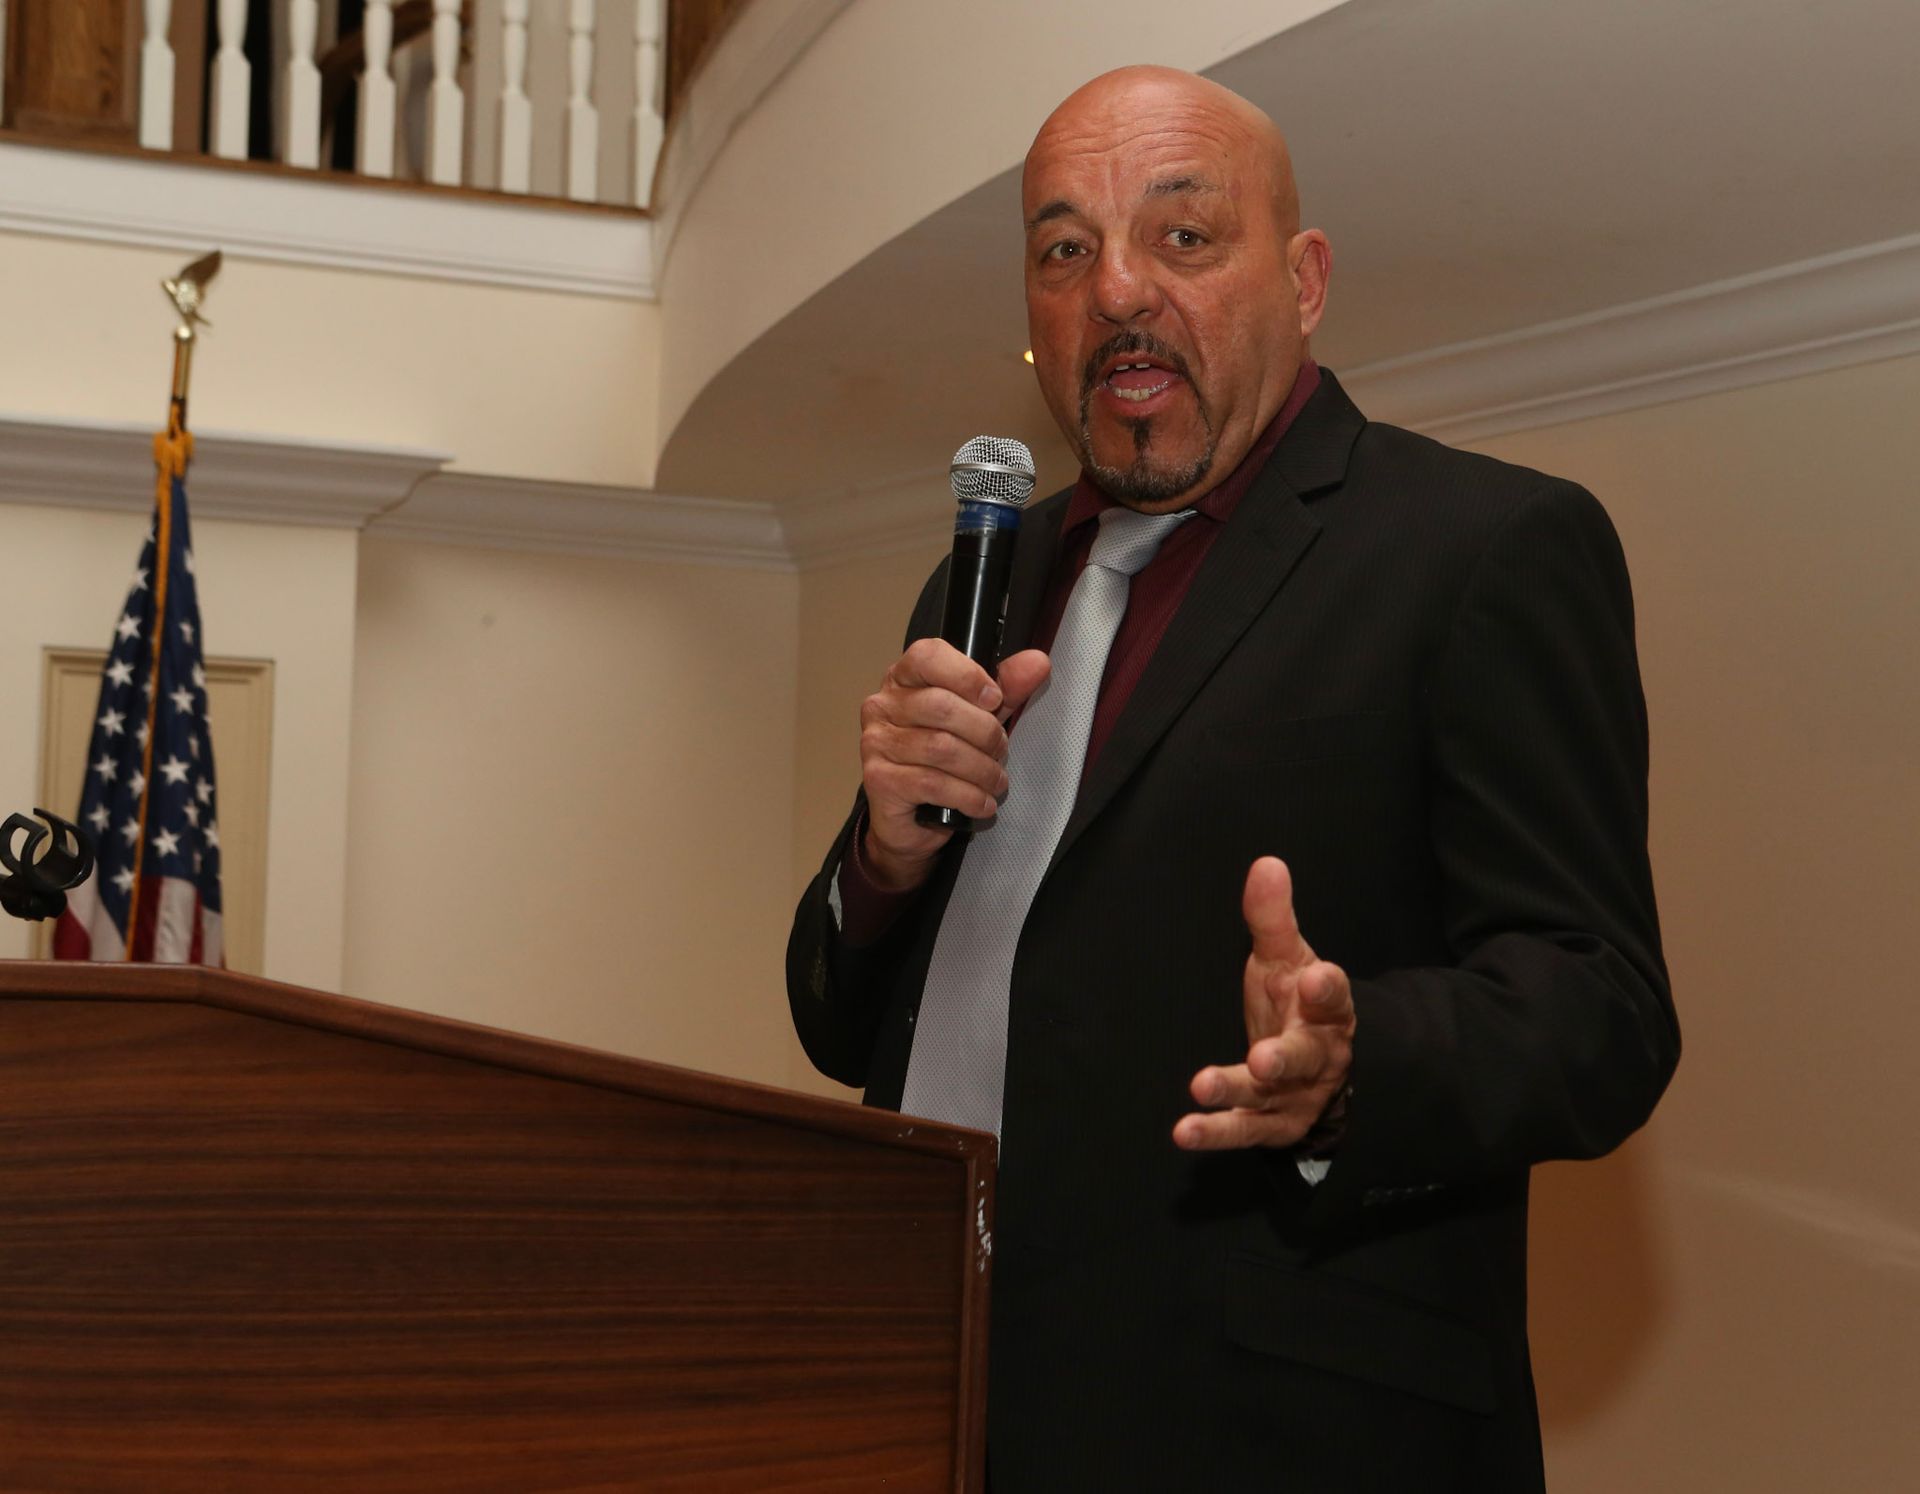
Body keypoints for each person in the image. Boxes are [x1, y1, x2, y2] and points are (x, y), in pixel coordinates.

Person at [787, 65, 1677, 1492]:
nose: (1116, 290)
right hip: (934, 1391)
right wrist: (885, 862)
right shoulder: (980, 580)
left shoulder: (1483, 549)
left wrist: (1353, 1063)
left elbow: (1603, 1008)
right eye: (1065, 250)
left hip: (1275, 1431)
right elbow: (845, 1022)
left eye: (1184, 235)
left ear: (1305, 280)